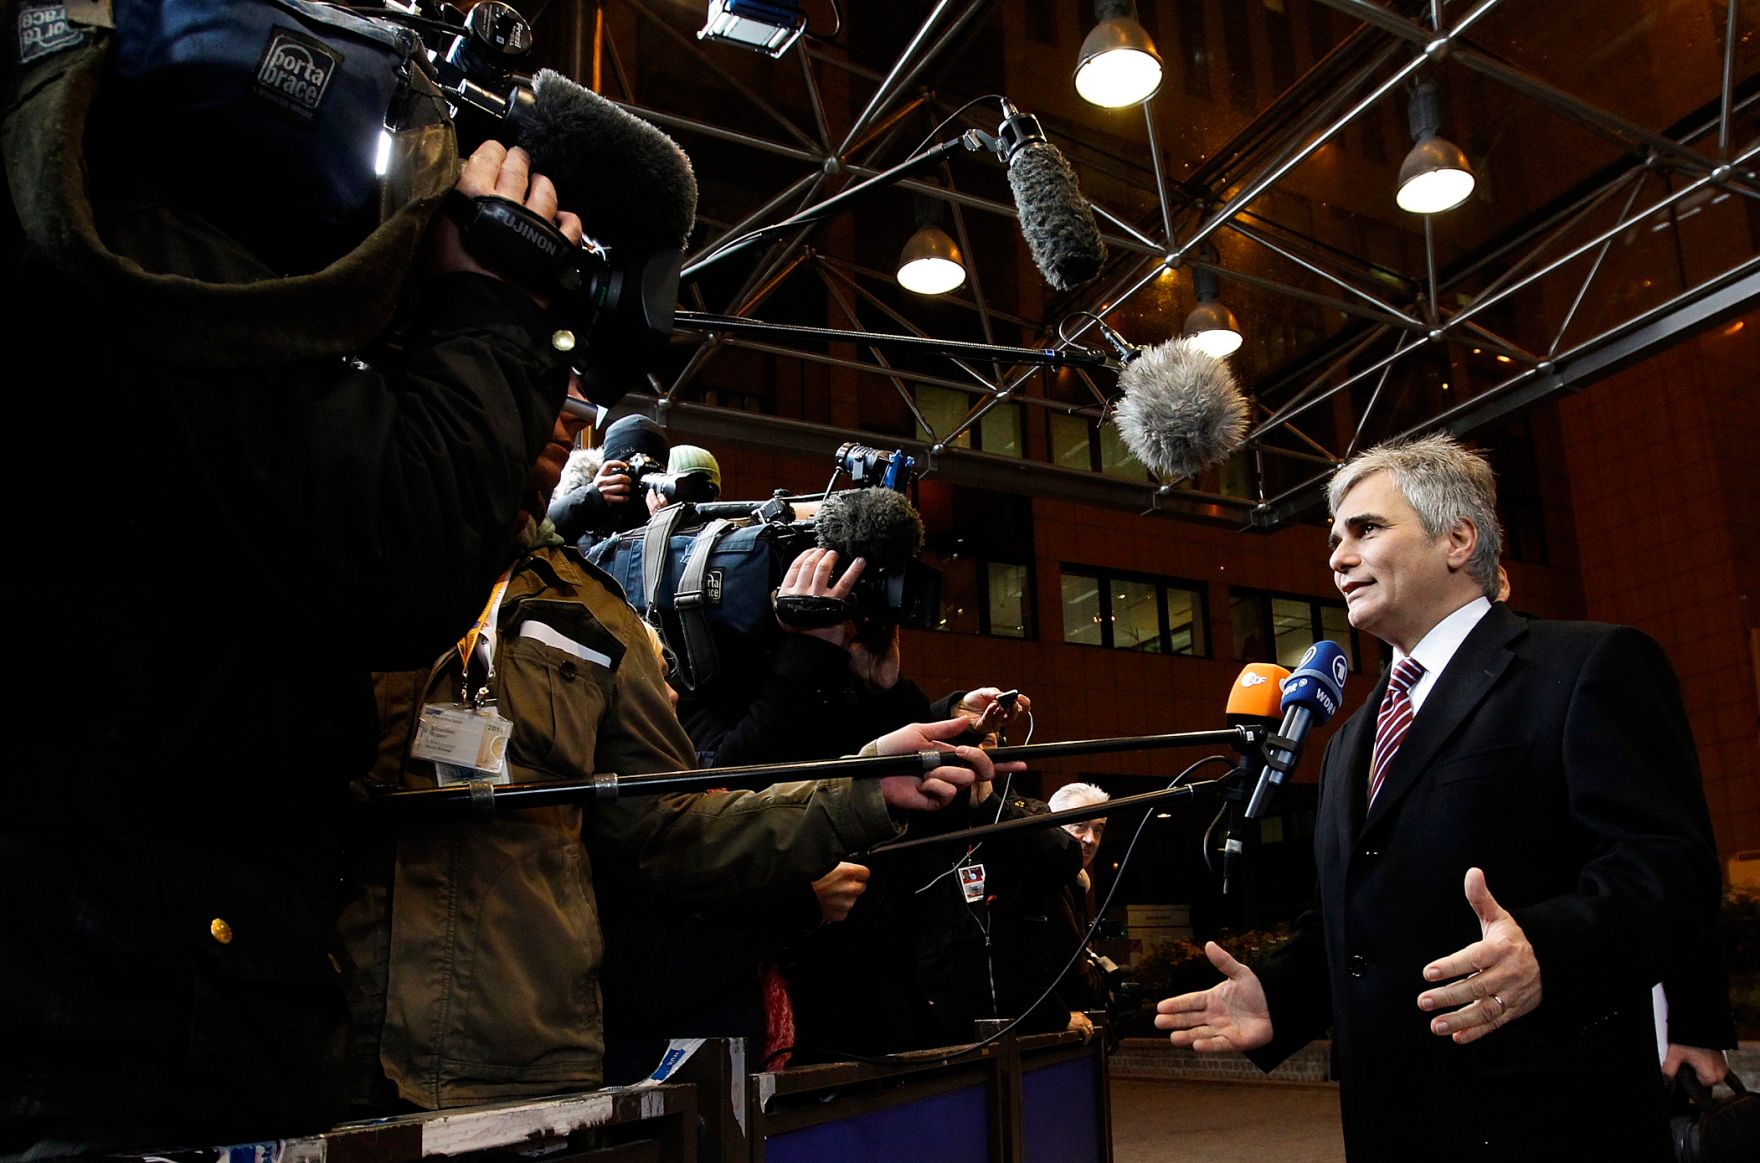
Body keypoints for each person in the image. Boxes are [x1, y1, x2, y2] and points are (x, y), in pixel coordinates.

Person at [0, 14, 607, 1151]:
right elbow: (398, 543)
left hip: (173, 1001)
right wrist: (482, 311)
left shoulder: (592, 609)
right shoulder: (129, 252)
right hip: (128, 1029)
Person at [341, 399, 1001, 1110]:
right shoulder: (332, 538)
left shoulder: (594, 611)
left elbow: (675, 826)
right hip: (320, 1049)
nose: (569, 413)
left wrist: (867, 781)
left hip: (517, 1067)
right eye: (545, 383)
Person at [1154, 434, 1724, 1161]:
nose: (1336, 556)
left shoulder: (1585, 666)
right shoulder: (1352, 737)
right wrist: (1281, 993)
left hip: (1546, 1124)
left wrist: (1548, 948)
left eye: (1366, 528)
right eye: (1334, 538)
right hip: (1390, 1126)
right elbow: (1360, 917)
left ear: (1458, 539)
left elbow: (1670, 869)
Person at [547, 414, 672, 549]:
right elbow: (538, 535)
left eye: (650, 471)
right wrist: (591, 498)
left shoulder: (667, 505)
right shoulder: (588, 507)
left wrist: (665, 525)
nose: (638, 480)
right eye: (630, 469)